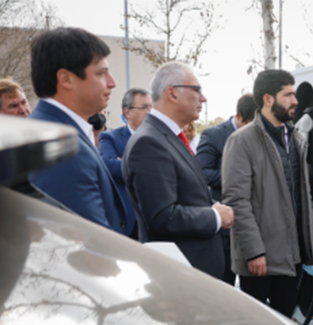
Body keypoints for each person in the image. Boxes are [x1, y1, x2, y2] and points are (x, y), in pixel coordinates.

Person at [222, 69, 313, 317]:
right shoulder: (241, 140)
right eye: (288, 95)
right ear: (268, 99)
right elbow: (237, 202)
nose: (295, 101)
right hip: (260, 259)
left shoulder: (296, 139)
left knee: (284, 323)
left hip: (293, 256)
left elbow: (304, 194)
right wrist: (254, 251)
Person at [122, 62, 233, 279]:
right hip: (180, 277)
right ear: (172, 94)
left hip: (193, 274)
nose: (203, 98)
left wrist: (210, 206)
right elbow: (163, 216)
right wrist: (214, 216)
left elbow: (185, 195)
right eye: (197, 90)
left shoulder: (167, 137)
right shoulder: (149, 142)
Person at [28, 27, 128, 234]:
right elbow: (91, 247)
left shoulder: (58, 132)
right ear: (66, 79)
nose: (112, 82)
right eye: (101, 73)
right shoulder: (62, 149)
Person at [196, 93, 258, 285]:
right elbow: (202, 173)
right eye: (250, 124)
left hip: (253, 224)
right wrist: (236, 179)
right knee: (225, 283)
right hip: (226, 227)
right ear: (239, 117)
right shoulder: (213, 135)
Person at [99, 87, 152, 238]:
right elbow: (108, 166)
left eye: (151, 107)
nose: (150, 112)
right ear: (127, 112)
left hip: (157, 219)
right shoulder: (110, 137)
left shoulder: (161, 138)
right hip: (129, 222)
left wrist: (125, 163)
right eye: (143, 107)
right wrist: (151, 168)